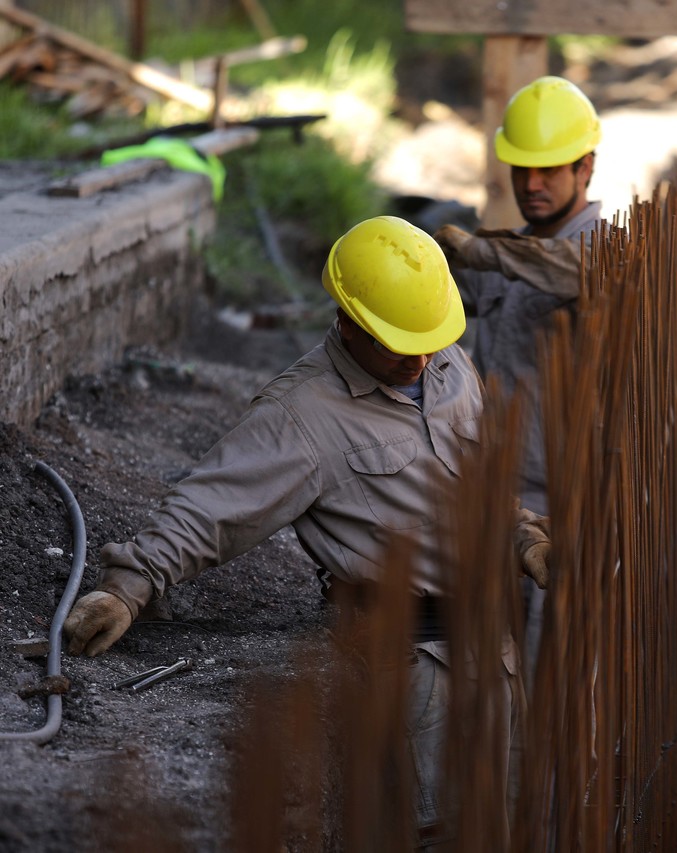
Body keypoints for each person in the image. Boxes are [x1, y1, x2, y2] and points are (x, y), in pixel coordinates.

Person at [60, 215, 550, 845]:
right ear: (349, 319)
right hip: (416, 663)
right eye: (400, 344)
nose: (421, 358)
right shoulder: (302, 415)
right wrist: (128, 585)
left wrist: (523, 533)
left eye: (429, 339)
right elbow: (214, 504)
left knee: (506, 824)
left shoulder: (446, 363)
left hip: (494, 646)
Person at [432, 75, 605, 519]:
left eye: (547, 170)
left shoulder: (607, 251)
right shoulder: (510, 254)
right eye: (522, 169)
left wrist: (480, 250)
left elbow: (575, 270)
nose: (531, 185)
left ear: (585, 167)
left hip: (566, 491)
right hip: (495, 475)